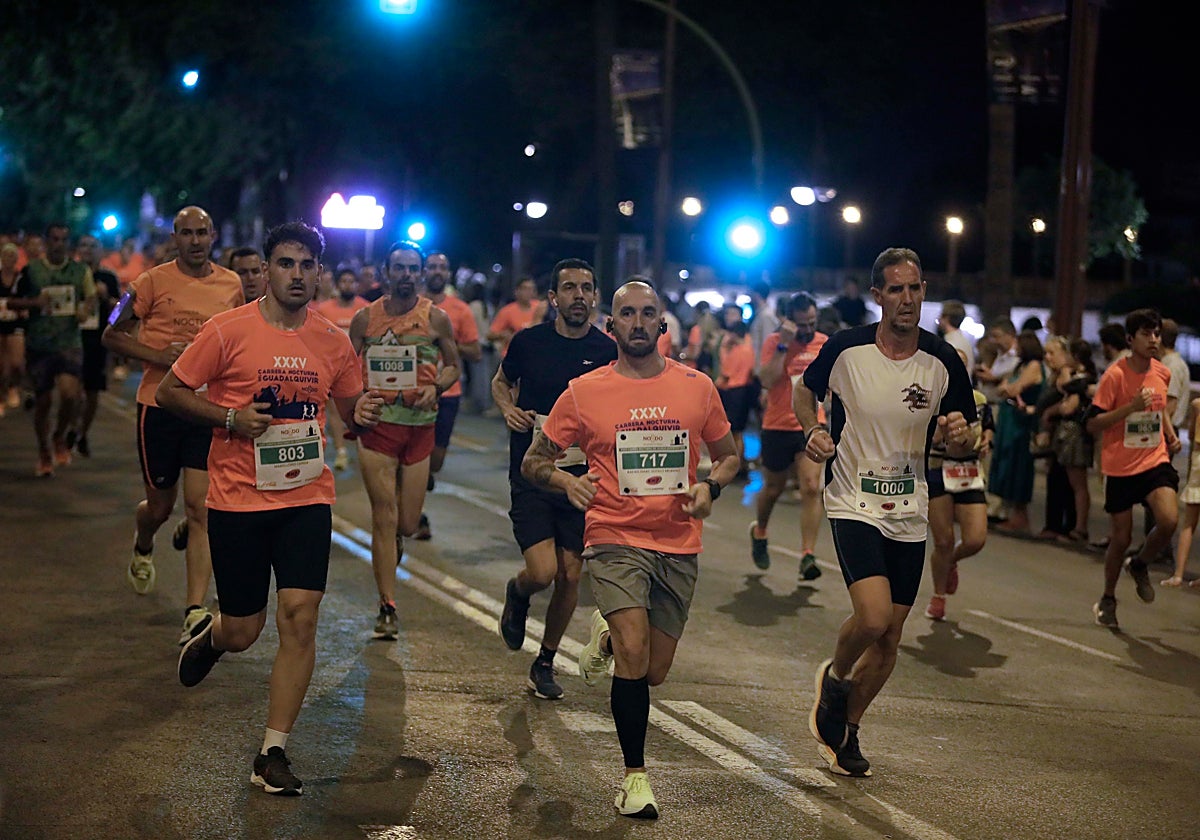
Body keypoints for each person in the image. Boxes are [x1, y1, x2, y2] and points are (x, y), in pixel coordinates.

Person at [163, 221, 384, 796]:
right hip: (237, 497)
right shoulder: (227, 330)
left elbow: (349, 409)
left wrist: (364, 413)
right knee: (245, 628)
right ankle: (213, 637)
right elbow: (172, 391)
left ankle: (273, 749)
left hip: (305, 496)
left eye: (306, 265)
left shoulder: (333, 341)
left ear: (319, 271)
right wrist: (231, 419)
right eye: (285, 264)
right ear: (265, 269)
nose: (296, 275)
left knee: (300, 617)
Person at [522, 279, 738, 818]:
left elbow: (731, 457)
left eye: (648, 313)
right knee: (636, 654)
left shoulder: (697, 387)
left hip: (678, 541)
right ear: (610, 325)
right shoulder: (583, 391)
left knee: (654, 670)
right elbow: (534, 460)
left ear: (662, 325)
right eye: (626, 314)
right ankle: (635, 778)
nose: (638, 322)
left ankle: (607, 632)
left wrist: (710, 487)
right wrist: (565, 482)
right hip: (614, 537)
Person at [795, 248, 975, 777]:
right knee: (873, 617)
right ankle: (836, 674)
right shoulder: (847, 348)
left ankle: (847, 727)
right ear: (877, 296)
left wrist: (961, 435)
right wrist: (813, 429)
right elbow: (804, 391)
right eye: (895, 289)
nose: (907, 299)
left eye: (915, 288)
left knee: (893, 636)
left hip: (909, 506)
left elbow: (968, 432)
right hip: (853, 499)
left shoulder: (944, 360)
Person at [101, 206, 244, 645]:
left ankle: (195, 609)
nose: (196, 240)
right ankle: (144, 540)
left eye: (203, 232)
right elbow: (111, 333)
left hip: (204, 410)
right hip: (158, 406)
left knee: (200, 510)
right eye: (187, 233)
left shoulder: (231, 285)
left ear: (214, 235)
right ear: (175, 237)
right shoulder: (150, 282)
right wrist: (164, 358)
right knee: (161, 508)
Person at [494, 258, 617, 700]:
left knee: (570, 575)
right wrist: (508, 408)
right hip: (533, 470)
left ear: (596, 297)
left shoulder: (607, 352)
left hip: (583, 480)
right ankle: (519, 590)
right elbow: (500, 382)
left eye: (586, 287)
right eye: (569, 288)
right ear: (553, 298)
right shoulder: (529, 342)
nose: (578, 295)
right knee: (543, 572)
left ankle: (545, 660)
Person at [349, 240, 461, 640]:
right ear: (386, 272)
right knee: (384, 516)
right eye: (400, 268)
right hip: (378, 429)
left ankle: (395, 540)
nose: (408, 275)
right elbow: (346, 370)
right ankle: (387, 606)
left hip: (420, 428)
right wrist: (357, 403)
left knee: (408, 523)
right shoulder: (365, 319)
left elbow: (453, 366)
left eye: (414, 268)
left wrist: (438, 387)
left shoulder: (436, 319)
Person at [1085, 309, 1180, 629]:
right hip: (1120, 465)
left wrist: (1168, 431)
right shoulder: (1115, 375)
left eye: (1156, 334)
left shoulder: (1162, 372)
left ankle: (1140, 565)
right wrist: (1130, 408)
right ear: (1130, 339)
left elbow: (1159, 406)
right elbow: (1093, 423)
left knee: (1168, 520)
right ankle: (1108, 598)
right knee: (1121, 537)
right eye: (1146, 334)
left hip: (1153, 459)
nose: (1153, 339)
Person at [748, 292, 828, 580]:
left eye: (811, 323)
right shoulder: (774, 342)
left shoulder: (823, 343)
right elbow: (766, 380)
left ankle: (807, 554)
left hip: (810, 426)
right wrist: (784, 342)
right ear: (789, 320)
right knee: (773, 489)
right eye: (801, 324)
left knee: (811, 486)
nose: (807, 330)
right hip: (777, 426)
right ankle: (760, 531)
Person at [19, 223, 97, 476]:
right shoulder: (31, 271)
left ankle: (59, 436)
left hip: (69, 342)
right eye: (54, 239)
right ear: (46, 241)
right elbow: (11, 300)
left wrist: (85, 309)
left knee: (70, 395)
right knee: (43, 402)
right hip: (40, 343)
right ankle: (44, 451)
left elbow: (91, 297)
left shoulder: (79, 271)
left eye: (63, 239)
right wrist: (34, 302)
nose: (58, 244)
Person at [415, 250, 482, 539]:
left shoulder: (460, 310)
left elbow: (476, 352)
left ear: (449, 273)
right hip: (415, 392)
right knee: (413, 456)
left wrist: (447, 342)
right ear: (423, 272)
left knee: (436, 459)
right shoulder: (412, 305)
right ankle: (415, 515)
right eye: (432, 267)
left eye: (442, 267)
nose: (437, 272)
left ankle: (417, 480)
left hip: (448, 391)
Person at [924, 354, 991, 622]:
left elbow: (987, 429)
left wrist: (986, 441)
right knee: (943, 540)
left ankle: (951, 561)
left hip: (968, 472)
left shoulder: (978, 400)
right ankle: (938, 596)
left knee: (975, 539)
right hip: (937, 470)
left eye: (962, 363)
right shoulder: (926, 399)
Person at [988, 330, 1045, 535]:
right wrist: (1007, 388)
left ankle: (1020, 517)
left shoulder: (1034, 366)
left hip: (1021, 424)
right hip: (1009, 420)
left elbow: (1012, 389)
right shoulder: (1020, 365)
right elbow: (1003, 387)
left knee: (1017, 466)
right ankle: (1014, 515)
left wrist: (1009, 388)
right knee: (1006, 463)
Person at [314, 267, 370, 471]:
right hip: (333, 372)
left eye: (351, 281)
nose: (348, 285)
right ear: (338, 284)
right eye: (344, 281)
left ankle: (364, 449)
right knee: (335, 412)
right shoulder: (323, 309)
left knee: (361, 412)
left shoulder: (366, 310)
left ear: (357, 284)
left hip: (361, 373)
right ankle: (341, 451)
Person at [72, 234, 119, 456]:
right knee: (72, 390)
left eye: (93, 246)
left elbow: (121, 312)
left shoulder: (108, 277)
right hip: (71, 338)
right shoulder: (70, 275)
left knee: (92, 391)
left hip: (97, 340)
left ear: (101, 251)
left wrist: (107, 298)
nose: (88, 250)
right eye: (84, 245)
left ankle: (82, 432)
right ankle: (71, 427)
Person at [1165, 395, 1200, 588]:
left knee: (1189, 522)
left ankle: (1178, 575)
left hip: (1199, 462)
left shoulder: (1197, 404)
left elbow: (1192, 433)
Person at [0, 242, 31, 414]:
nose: (9, 259)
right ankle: (1, 397)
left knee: (16, 363)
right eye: (6, 255)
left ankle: (13, 386)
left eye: (12, 256)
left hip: (16, 324)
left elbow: (28, 300)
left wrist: (21, 307)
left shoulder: (21, 279)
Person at [488, 276, 543, 358]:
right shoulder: (507, 311)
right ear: (517, 291)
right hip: (513, 356)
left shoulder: (541, 307)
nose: (528, 292)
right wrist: (503, 335)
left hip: (537, 355)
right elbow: (490, 335)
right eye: (525, 289)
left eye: (531, 289)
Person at [937, 300, 975, 375]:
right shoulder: (965, 342)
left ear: (946, 318)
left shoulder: (950, 345)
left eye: (941, 315)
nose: (938, 319)